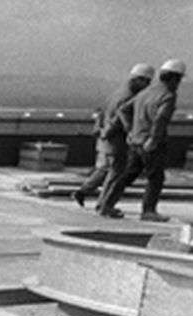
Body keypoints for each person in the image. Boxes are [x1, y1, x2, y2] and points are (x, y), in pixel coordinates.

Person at [99, 58, 185, 222]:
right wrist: (153, 139)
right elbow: (161, 119)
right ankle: (148, 210)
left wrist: (130, 130)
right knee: (155, 177)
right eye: (178, 79)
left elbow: (123, 110)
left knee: (128, 174)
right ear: (174, 78)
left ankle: (106, 204)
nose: (178, 83)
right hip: (151, 143)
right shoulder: (167, 95)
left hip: (136, 141)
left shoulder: (147, 92)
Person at [76, 63, 153, 213]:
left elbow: (102, 112)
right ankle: (104, 204)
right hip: (115, 141)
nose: (147, 86)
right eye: (146, 82)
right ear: (138, 80)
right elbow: (118, 119)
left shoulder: (118, 93)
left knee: (104, 169)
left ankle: (83, 192)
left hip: (106, 139)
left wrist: (100, 131)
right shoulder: (128, 97)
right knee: (115, 174)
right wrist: (127, 132)